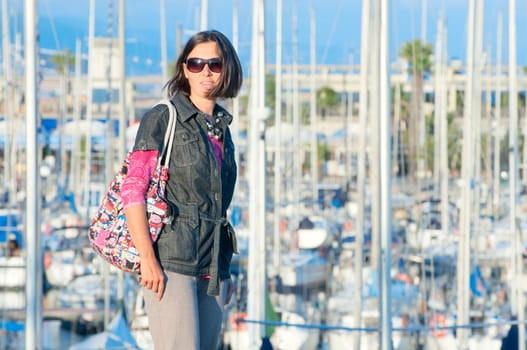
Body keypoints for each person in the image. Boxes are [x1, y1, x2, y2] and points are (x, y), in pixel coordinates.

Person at [121, 29, 243, 350]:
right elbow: (132, 191)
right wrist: (147, 259)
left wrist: (224, 270)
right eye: (196, 63)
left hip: (213, 265)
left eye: (214, 65)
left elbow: (218, 207)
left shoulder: (222, 130)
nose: (205, 71)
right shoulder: (163, 118)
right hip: (172, 261)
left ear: (226, 68)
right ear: (184, 69)